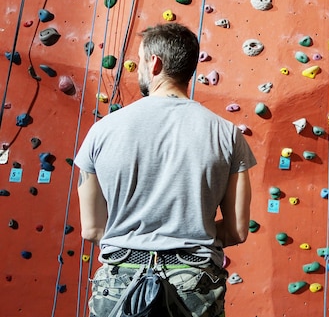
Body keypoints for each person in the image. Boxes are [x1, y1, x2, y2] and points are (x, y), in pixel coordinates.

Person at [75, 22, 256, 317]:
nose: (138, 71)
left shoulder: (102, 131)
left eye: (140, 61)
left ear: (154, 62)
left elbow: (92, 228)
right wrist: (194, 232)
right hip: (193, 281)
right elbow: (236, 230)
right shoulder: (227, 134)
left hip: (120, 280)